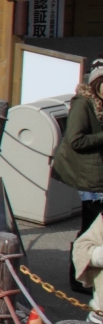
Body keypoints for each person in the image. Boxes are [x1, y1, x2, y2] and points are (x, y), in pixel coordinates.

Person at [52, 60, 103, 287]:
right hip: (90, 177)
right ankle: (77, 277)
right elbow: (75, 140)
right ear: (97, 83)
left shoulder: (99, 102)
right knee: (91, 227)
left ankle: (83, 274)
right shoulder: (84, 104)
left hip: (97, 172)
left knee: (93, 227)